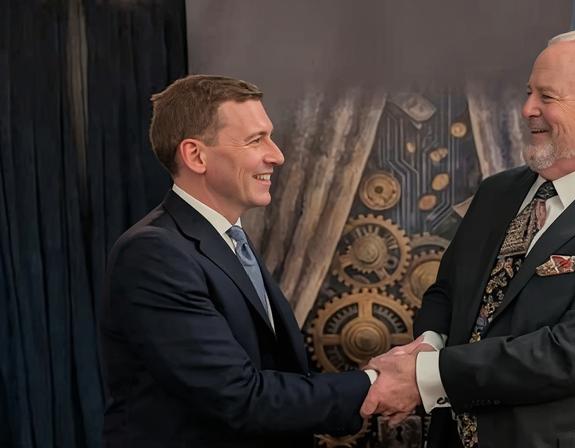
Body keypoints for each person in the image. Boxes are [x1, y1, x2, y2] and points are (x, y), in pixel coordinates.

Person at [361, 27, 575, 448]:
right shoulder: (497, 193)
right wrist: (427, 346)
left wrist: (426, 376)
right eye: (529, 92)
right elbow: (446, 294)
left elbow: (573, 353)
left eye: (547, 97)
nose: (527, 108)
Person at [99, 75, 373, 448]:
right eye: (255, 140)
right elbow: (240, 398)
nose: (277, 155)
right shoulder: (153, 254)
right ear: (196, 155)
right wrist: (375, 386)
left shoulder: (226, 241)